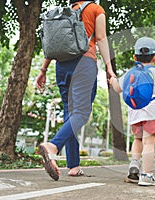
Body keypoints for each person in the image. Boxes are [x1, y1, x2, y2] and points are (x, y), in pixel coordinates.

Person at [36, 0, 116, 181]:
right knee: (81, 112)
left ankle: (73, 165)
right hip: (84, 62)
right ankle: (53, 146)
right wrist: (109, 68)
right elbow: (102, 38)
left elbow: (52, 43)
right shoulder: (96, 9)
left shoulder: (62, 12)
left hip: (62, 66)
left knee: (69, 113)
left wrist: (43, 70)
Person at [109, 36, 155, 186]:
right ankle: (146, 175)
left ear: (134, 57)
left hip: (135, 114)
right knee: (148, 143)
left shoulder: (129, 73)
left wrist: (113, 79)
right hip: (151, 115)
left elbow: (117, 88)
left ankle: (134, 167)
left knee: (138, 140)